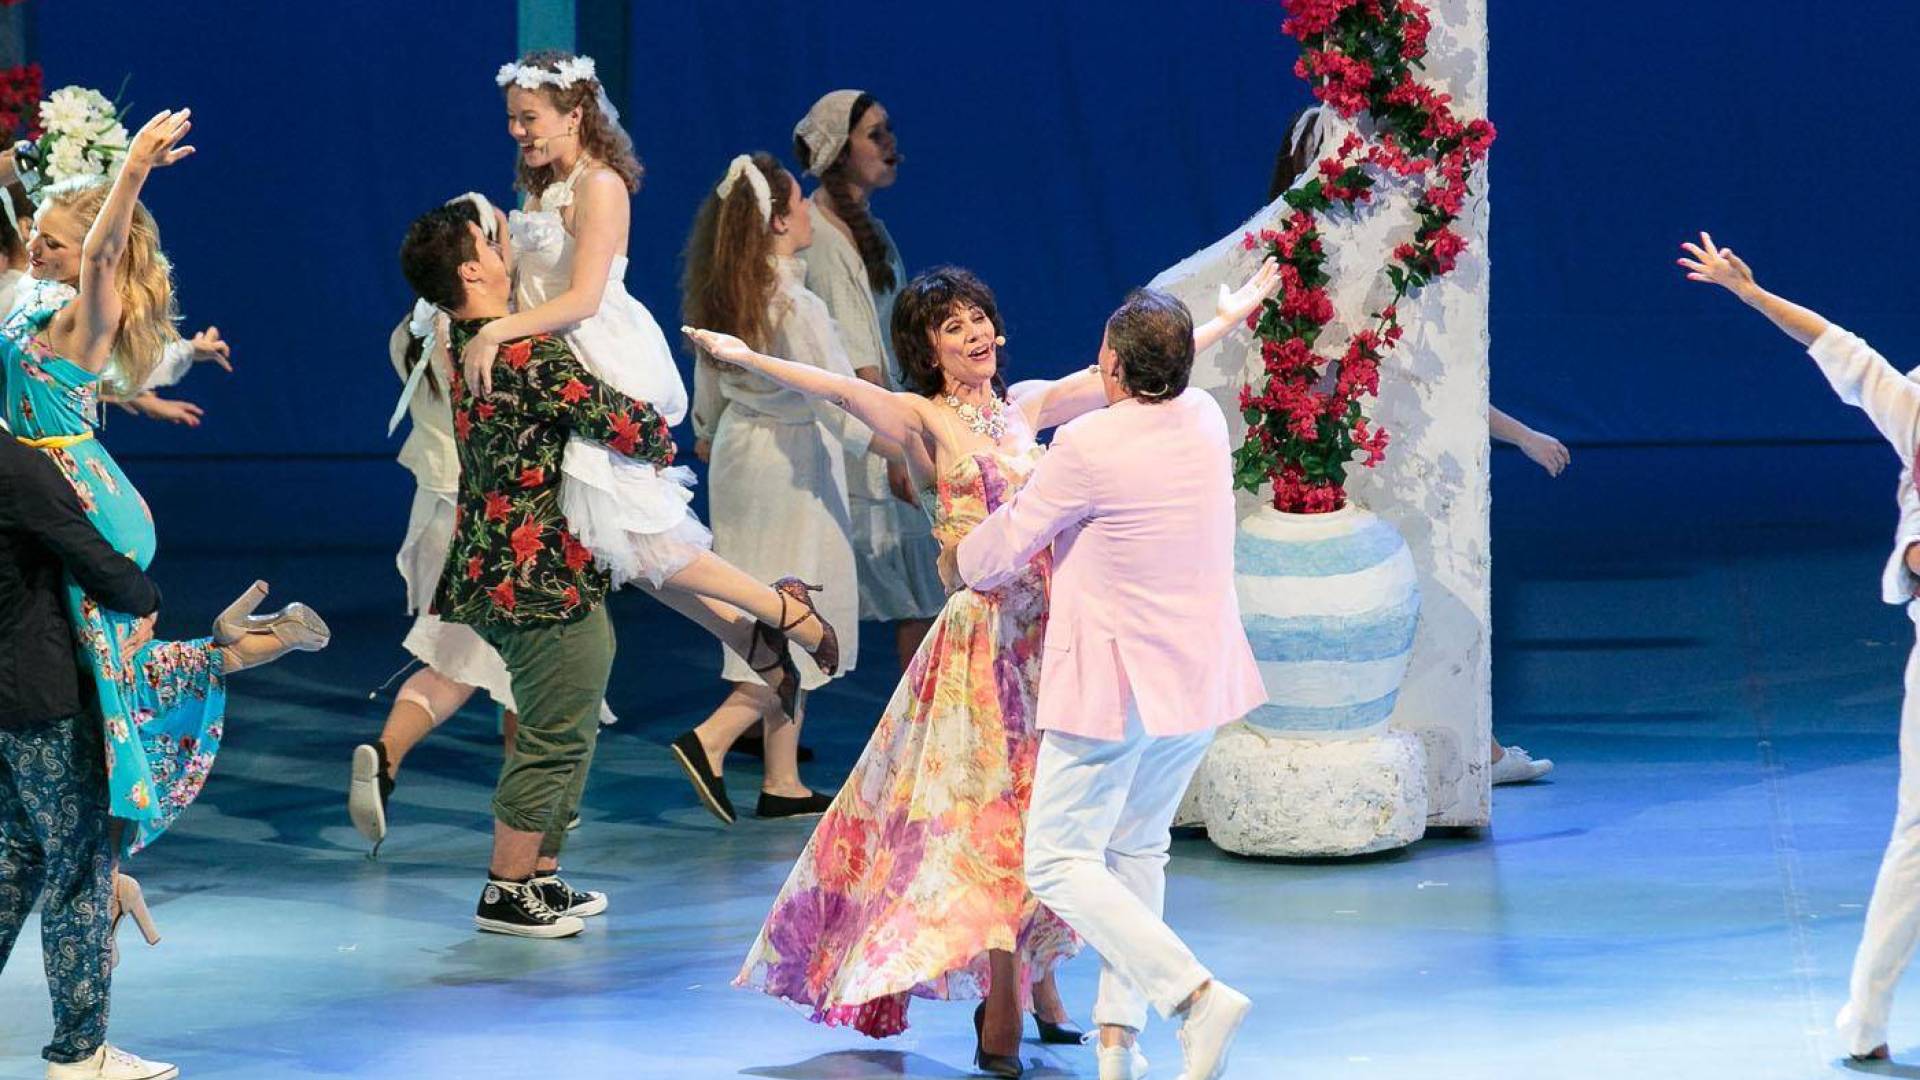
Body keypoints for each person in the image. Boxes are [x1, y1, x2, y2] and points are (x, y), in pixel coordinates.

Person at [692, 257, 1277, 1077]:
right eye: (952, 325)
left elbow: (1146, 370)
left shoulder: (1029, 405)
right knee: (989, 825)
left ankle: (1074, 1007)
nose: (974, 334)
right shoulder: (924, 417)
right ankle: (1017, 1003)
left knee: (1060, 830)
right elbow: (838, 391)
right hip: (985, 643)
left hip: (1058, 636)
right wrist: (749, 357)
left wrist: (1225, 319)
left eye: (979, 318)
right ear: (928, 348)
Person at [469, 51, 837, 721]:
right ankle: (752, 636)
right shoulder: (541, 188)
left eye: (529, 118)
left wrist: (498, 331)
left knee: (637, 532)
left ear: (574, 114)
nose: (518, 131)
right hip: (557, 365)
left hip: (599, 359)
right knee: (628, 549)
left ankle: (783, 611)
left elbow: (583, 297)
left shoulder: (599, 185)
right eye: (513, 119)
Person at [956, 288, 1265, 1080]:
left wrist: (958, 551)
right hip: (1195, 676)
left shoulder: (1088, 444)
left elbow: (1007, 545)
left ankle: (1193, 996)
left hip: (1118, 682)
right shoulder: (1204, 417)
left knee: (1057, 860)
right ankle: (1118, 1045)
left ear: (1116, 364)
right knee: (1135, 848)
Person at [1, 109, 328, 857]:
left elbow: (103, 254)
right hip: (40, 486)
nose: (35, 245)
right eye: (36, 233)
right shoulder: (35, 302)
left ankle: (104, 846)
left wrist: (134, 171)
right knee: (79, 665)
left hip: (76, 493)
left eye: (52, 240)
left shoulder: (89, 309)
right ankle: (230, 653)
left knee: (99, 669)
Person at [1677, 230, 1920, 1063]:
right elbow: (1840, 349)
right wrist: (1750, 294)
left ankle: (1864, 1021)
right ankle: (1866, 1019)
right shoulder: (1913, 411)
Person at [681, 152, 870, 821]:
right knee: (798, 610)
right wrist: (895, 446)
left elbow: (708, 397)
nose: (810, 210)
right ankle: (714, 736)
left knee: (770, 601)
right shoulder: (795, 302)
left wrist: (708, 428)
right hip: (792, 462)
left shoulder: (728, 292)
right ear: (781, 221)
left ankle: (781, 778)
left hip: (743, 455)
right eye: (799, 202)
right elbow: (837, 395)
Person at [0, 426, 171, 1080]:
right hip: (37, 695)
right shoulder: (18, 468)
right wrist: (147, 598)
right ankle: (80, 1053)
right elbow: (95, 559)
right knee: (79, 871)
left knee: (14, 858)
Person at [793, 89, 944, 673]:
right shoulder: (824, 238)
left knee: (920, 595)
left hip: (882, 419)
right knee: (920, 595)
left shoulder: (865, 229)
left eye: (888, 130)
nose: (890, 145)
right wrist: (899, 445)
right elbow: (862, 362)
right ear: (840, 150)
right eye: (874, 135)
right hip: (863, 432)